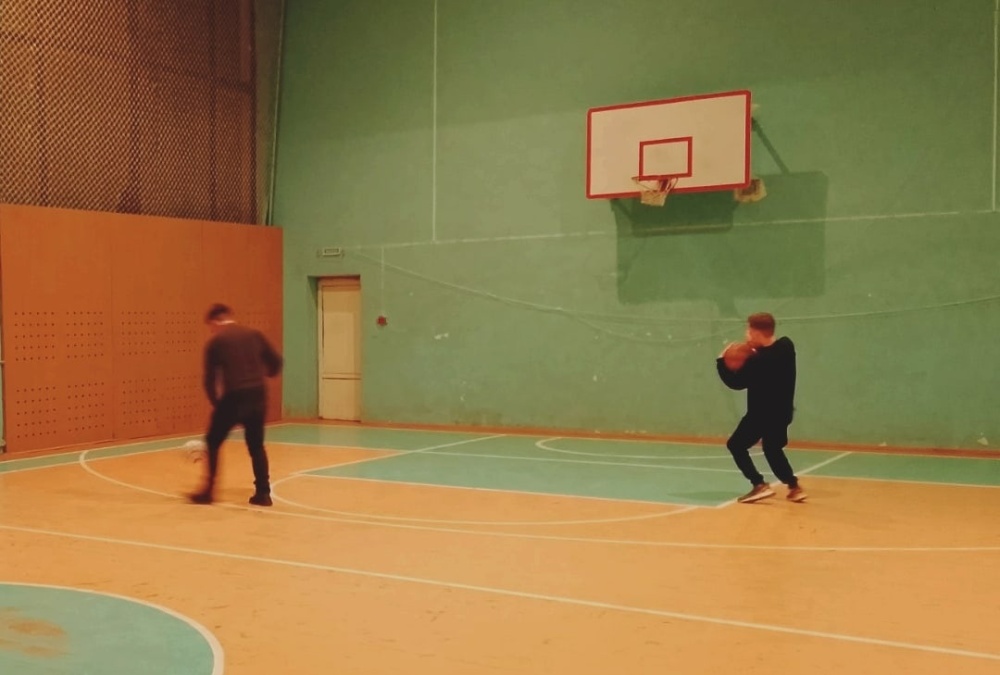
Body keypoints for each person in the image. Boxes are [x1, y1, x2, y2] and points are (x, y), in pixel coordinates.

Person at [189, 303, 283, 506]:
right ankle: (263, 493)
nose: (212, 331)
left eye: (211, 327)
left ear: (215, 321)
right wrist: (264, 375)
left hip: (234, 396)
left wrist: (217, 404)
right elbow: (276, 363)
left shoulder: (216, 342)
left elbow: (209, 380)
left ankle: (208, 491)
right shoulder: (254, 335)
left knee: (213, 441)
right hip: (258, 395)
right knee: (256, 446)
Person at [716, 312, 806, 503]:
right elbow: (770, 352)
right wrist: (753, 349)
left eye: (749, 331)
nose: (746, 334)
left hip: (760, 414)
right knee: (772, 449)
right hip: (783, 412)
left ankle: (759, 484)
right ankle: (794, 487)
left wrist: (721, 362)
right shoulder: (786, 346)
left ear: (756, 333)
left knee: (735, 445)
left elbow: (736, 383)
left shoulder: (757, 361)